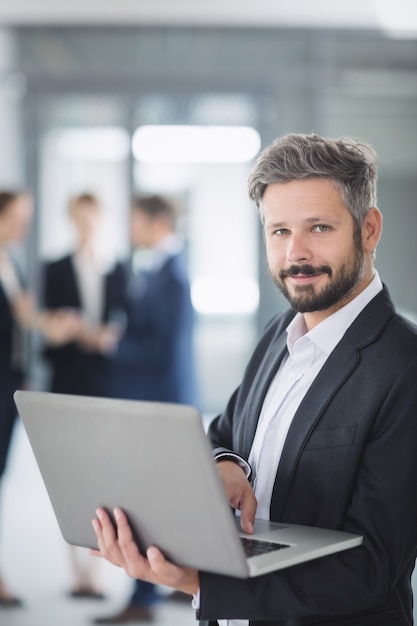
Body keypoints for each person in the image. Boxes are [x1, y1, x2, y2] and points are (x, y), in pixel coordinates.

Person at [90, 133, 417, 626]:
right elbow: (224, 434)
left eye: (319, 227)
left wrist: (202, 584)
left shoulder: (403, 363)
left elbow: (371, 568)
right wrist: (226, 464)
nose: (295, 253)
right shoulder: (277, 336)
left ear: (369, 229)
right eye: (279, 231)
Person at [93, 194, 197, 624]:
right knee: (160, 500)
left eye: (135, 221)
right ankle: (170, 584)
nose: (130, 229)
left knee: (146, 502)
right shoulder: (155, 269)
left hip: (160, 405)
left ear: (155, 222)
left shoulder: (172, 275)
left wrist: (111, 344)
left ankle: (144, 599)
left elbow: (162, 351)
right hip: (150, 401)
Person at [42, 192, 127, 599]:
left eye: (92, 219)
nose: (86, 226)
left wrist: (103, 337)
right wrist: (68, 331)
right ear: (70, 220)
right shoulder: (55, 268)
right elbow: (47, 329)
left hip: (108, 384)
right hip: (68, 380)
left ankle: (98, 571)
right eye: (79, 219)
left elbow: (126, 326)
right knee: (70, 477)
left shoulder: (118, 269)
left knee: (105, 475)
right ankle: (76, 571)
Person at [0, 190, 79, 608]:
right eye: (18, 216)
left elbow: (22, 318)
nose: (23, 225)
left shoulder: (11, 262)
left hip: (9, 381)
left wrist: (52, 325)